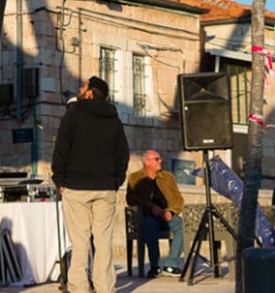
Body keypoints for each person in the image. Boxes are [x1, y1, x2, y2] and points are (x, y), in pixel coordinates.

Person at [52, 76, 129, 293]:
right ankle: (105, 287)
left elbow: (61, 148)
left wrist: (60, 180)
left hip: (76, 187)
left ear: (90, 92)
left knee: (80, 242)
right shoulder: (114, 118)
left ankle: (79, 287)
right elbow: (122, 153)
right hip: (105, 188)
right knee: (104, 241)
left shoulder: (74, 114)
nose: (79, 87)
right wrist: (115, 181)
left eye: (83, 85)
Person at [126, 149, 184, 276]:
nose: (160, 161)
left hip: (166, 216)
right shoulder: (135, 178)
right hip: (146, 216)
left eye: (160, 158)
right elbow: (131, 199)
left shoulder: (168, 177)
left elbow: (179, 199)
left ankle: (170, 265)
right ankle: (154, 266)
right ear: (147, 162)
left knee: (181, 225)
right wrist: (150, 206)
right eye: (157, 159)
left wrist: (171, 211)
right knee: (150, 226)